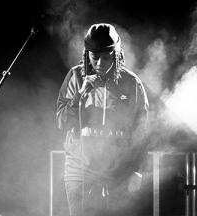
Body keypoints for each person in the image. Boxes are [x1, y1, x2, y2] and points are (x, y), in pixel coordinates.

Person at [56, 23, 149, 216]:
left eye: (106, 57)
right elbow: (61, 122)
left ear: (117, 55)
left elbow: (142, 131)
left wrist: (137, 169)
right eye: (95, 57)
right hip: (79, 166)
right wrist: (80, 95)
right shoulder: (75, 77)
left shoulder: (131, 83)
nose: (100, 63)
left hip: (118, 167)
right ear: (87, 54)